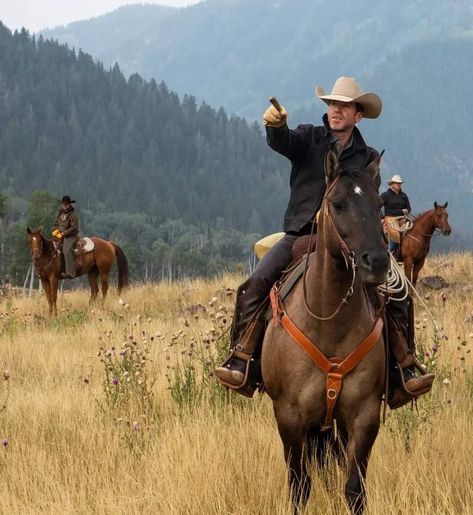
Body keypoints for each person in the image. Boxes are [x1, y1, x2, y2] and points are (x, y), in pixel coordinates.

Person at [215, 76, 434, 407]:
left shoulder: (367, 156)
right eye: (332, 104)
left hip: (352, 241)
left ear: (357, 114)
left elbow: (370, 197)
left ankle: (403, 370)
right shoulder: (309, 137)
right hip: (302, 233)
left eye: (344, 106)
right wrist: (276, 127)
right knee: (255, 283)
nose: (336, 110)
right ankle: (242, 360)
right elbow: (283, 142)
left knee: (399, 293)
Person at [381, 175, 411, 254]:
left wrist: (406, 210)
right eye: (397, 183)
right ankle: (391, 252)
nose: (399, 185)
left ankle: (406, 251)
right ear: (392, 184)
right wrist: (381, 218)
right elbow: (377, 205)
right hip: (390, 218)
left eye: (400, 183)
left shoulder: (404, 195)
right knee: (395, 233)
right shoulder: (386, 195)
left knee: (410, 231)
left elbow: (409, 207)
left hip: (402, 218)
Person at [52, 195, 79, 279]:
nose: (64, 206)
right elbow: (56, 223)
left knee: (67, 250)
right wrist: (56, 230)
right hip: (60, 234)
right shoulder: (60, 213)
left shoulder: (73, 215)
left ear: (69, 204)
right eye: (63, 204)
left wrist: (63, 234)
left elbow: (74, 228)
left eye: (66, 204)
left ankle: (70, 273)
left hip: (71, 236)